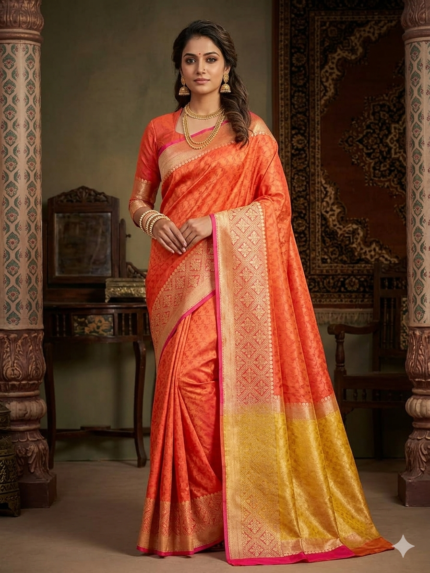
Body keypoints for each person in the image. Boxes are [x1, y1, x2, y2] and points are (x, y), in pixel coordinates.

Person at [129, 19, 393, 567]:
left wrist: (213, 224)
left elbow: (277, 205)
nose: (200, 69)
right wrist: (155, 220)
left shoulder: (251, 131)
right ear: (179, 71)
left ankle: (241, 511)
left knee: (228, 389)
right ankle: (199, 517)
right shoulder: (159, 130)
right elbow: (138, 200)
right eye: (190, 60)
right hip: (176, 276)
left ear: (226, 68)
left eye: (210, 59)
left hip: (233, 276)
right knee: (184, 387)